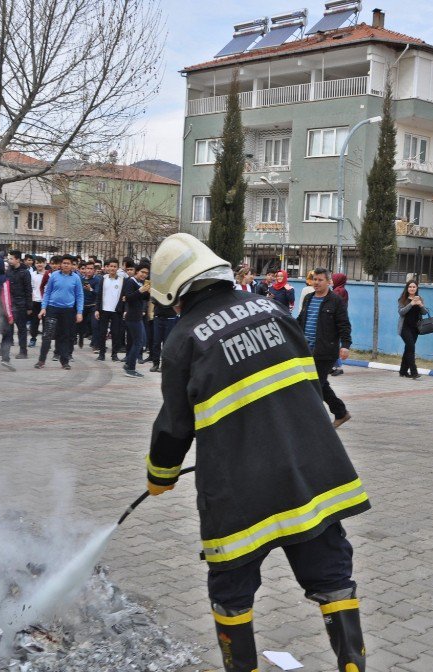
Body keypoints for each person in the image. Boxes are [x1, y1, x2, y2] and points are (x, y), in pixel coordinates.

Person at [145, 233, 369, 672]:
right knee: (332, 576)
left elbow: (175, 424)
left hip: (240, 486)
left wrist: (161, 474)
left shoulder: (184, 339)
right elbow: (308, 384)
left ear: (175, 292)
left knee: (231, 588)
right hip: (310, 470)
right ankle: (353, 665)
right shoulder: (275, 310)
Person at [297, 268, 353, 428]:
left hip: (325, 351)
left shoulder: (335, 301)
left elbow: (344, 325)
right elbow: (301, 319)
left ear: (329, 282)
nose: (316, 282)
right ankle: (341, 413)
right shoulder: (308, 298)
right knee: (320, 384)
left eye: (320, 280)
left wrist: (345, 346)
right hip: (307, 349)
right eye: (314, 279)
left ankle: (314, 420)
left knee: (315, 384)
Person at [35, 254, 83, 370]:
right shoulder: (54, 276)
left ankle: (64, 361)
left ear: (72, 265)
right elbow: (47, 292)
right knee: (47, 335)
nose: (66, 265)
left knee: (64, 336)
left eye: (68, 263)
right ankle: (41, 360)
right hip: (52, 309)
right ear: (61, 264)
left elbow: (79, 295)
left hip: (68, 311)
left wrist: (79, 312)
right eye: (64, 263)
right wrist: (43, 307)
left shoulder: (76, 278)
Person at [120, 263, 150, 378]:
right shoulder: (130, 281)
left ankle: (128, 364)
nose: (144, 275)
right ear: (137, 271)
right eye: (142, 272)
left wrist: (147, 292)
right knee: (139, 342)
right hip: (132, 316)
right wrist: (140, 291)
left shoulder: (140, 283)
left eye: (146, 273)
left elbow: (142, 298)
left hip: (138, 316)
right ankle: (130, 368)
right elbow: (127, 298)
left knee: (139, 342)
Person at [94, 258, 124, 362]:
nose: (112, 268)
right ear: (107, 267)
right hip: (104, 310)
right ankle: (101, 354)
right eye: (111, 266)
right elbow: (99, 295)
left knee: (115, 333)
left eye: (115, 266)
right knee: (102, 333)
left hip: (116, 311)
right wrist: (97, 309)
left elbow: (123, 296)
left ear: (117, 268)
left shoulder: (121, 280)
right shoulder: (103, 278)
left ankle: (114, 354)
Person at [5, 250, 32, 359]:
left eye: (11, 258)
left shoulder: (24, 272)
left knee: (21, 329)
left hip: (21, 304)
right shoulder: (8, 271)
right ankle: (4, 349)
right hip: (10, 303)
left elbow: (28, 290)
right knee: (7, 328)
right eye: (9, 258)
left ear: (17, 259)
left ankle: (23, 351)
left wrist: (29, 306)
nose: (9, 260)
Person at [396, 280, 424, 379]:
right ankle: (414, 372)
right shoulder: (402, 299)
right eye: (410, 287)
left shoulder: (420, 298)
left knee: (408, 349)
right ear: (407, 288)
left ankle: (403, 371)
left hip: (415, 329)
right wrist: (411, 303)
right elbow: (401, 312)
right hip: (404, 328)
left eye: (414, 287)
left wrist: (420, 305)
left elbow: (424, 312)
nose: (412, 288)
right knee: (411, 348)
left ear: (416, 288)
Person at [331, 272, 349, 376]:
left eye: (333, 279)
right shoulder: (340, 290)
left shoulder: (339, 291)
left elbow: (335, 305)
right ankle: (335, 366)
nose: (331, 281)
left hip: (335, 320)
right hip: (336, 320)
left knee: (332, 344)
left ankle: (336, 367)